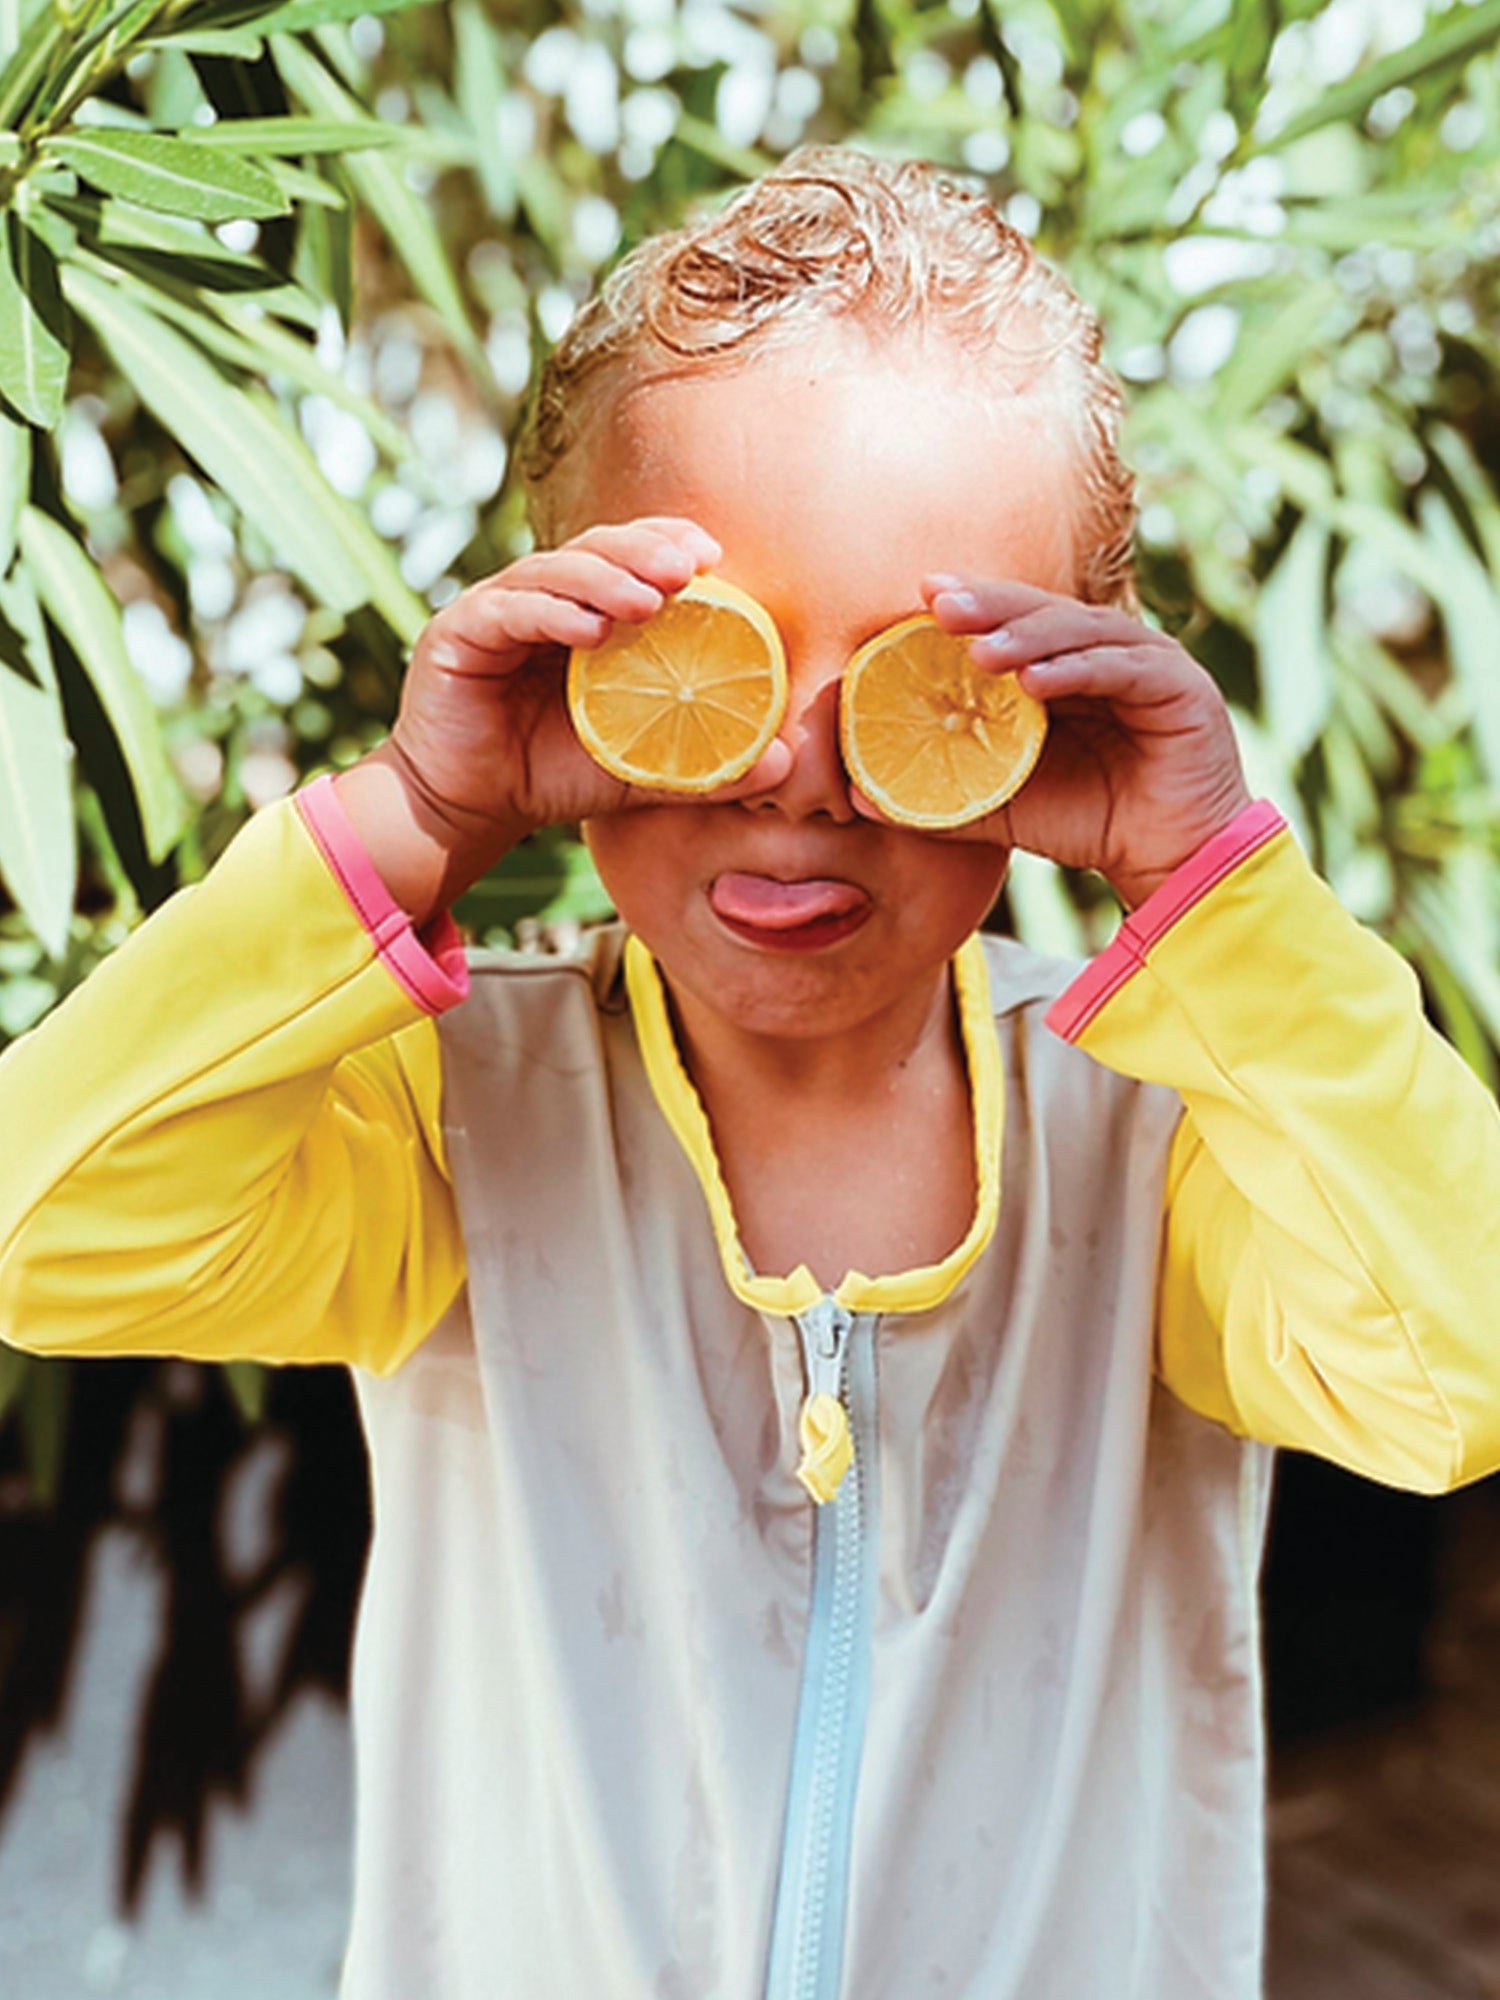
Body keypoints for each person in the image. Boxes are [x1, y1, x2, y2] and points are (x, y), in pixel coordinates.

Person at [2, 142, 1498, 1999]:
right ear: (570, 652)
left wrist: (1215, 896)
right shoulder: (459, 1118)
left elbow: (1459, 1368)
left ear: (1049, 700)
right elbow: (42, 1231)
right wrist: (412, 819)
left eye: (917, 675)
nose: (796, 771)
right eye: (708, 657)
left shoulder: (1165, 1143)